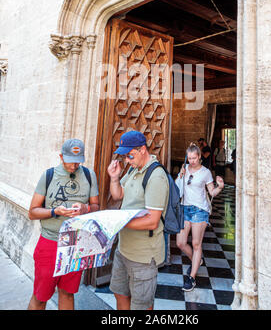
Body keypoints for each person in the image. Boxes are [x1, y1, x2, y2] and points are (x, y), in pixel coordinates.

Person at [27, 139, 99, 310]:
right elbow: (32, 212)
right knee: (40, 296)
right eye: (70, 161)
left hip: (76, 244)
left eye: (78, 161)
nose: (74, 166)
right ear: (61, 156)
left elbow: (96, 207)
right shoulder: (48, 175)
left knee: (67, 293)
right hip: (50, 243)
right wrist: (54, 212)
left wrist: (85, 208)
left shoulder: (89, 175)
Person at [107, 130, 169, 310]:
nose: (127, 160)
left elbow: (152, 221)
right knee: (120, 293)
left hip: (143, 255)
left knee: (141, 305)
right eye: (125, 156)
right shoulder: (134, 170)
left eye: (130, 155)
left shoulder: (156, 176)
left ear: (143, 149)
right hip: (123, 250)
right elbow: (118, 195)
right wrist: (114, 178)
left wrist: (118, 222)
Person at [175, 142, 224, 291]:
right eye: (189, 158)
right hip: (185, 208)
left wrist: (220, 187)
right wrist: (180, 175)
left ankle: (192, 277)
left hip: (200, 210)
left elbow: (212, 192)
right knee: (181, 243)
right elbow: (178, 189)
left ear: (199, 156)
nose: (192, 161)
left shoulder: (205, 172)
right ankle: (197, 260)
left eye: (194, 158)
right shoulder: (185, 170)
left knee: (196, 244)